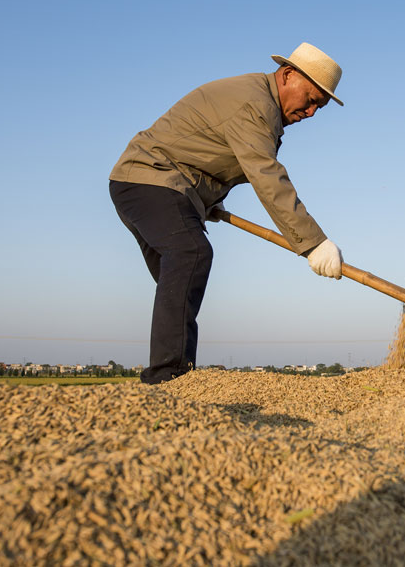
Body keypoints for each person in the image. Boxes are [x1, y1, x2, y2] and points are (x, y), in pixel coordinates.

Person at [109, 43, 345, 384]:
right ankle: (168, 378)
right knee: (190, 254)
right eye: (310, 100)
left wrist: (206, 200)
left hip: (157, 184)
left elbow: (203, 152)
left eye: (318, 108)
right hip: (149, 179)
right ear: (288, 75)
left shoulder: (259, 103)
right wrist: (313, 242)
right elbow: (265, 174)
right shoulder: (254, 104)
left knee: (181, 282)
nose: (310, 113)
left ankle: (178, 378)